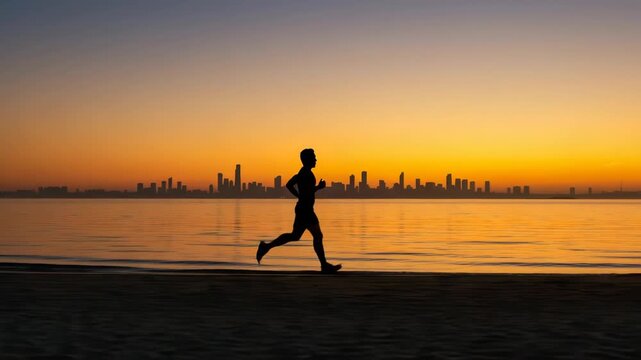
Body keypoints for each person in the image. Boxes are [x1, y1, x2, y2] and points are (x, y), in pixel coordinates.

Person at [256, 149, 341, 273]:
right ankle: (324, 265)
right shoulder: (306, 174)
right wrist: (311, 190)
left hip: (303, 208)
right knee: (317, 236)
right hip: (305, 209)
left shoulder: (303, 173)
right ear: (307, 159)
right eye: (314, 157)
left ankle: (266, 247)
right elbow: (298, 188)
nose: (316, 159)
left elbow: (293, 186)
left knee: (295, 236)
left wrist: (304, 193)